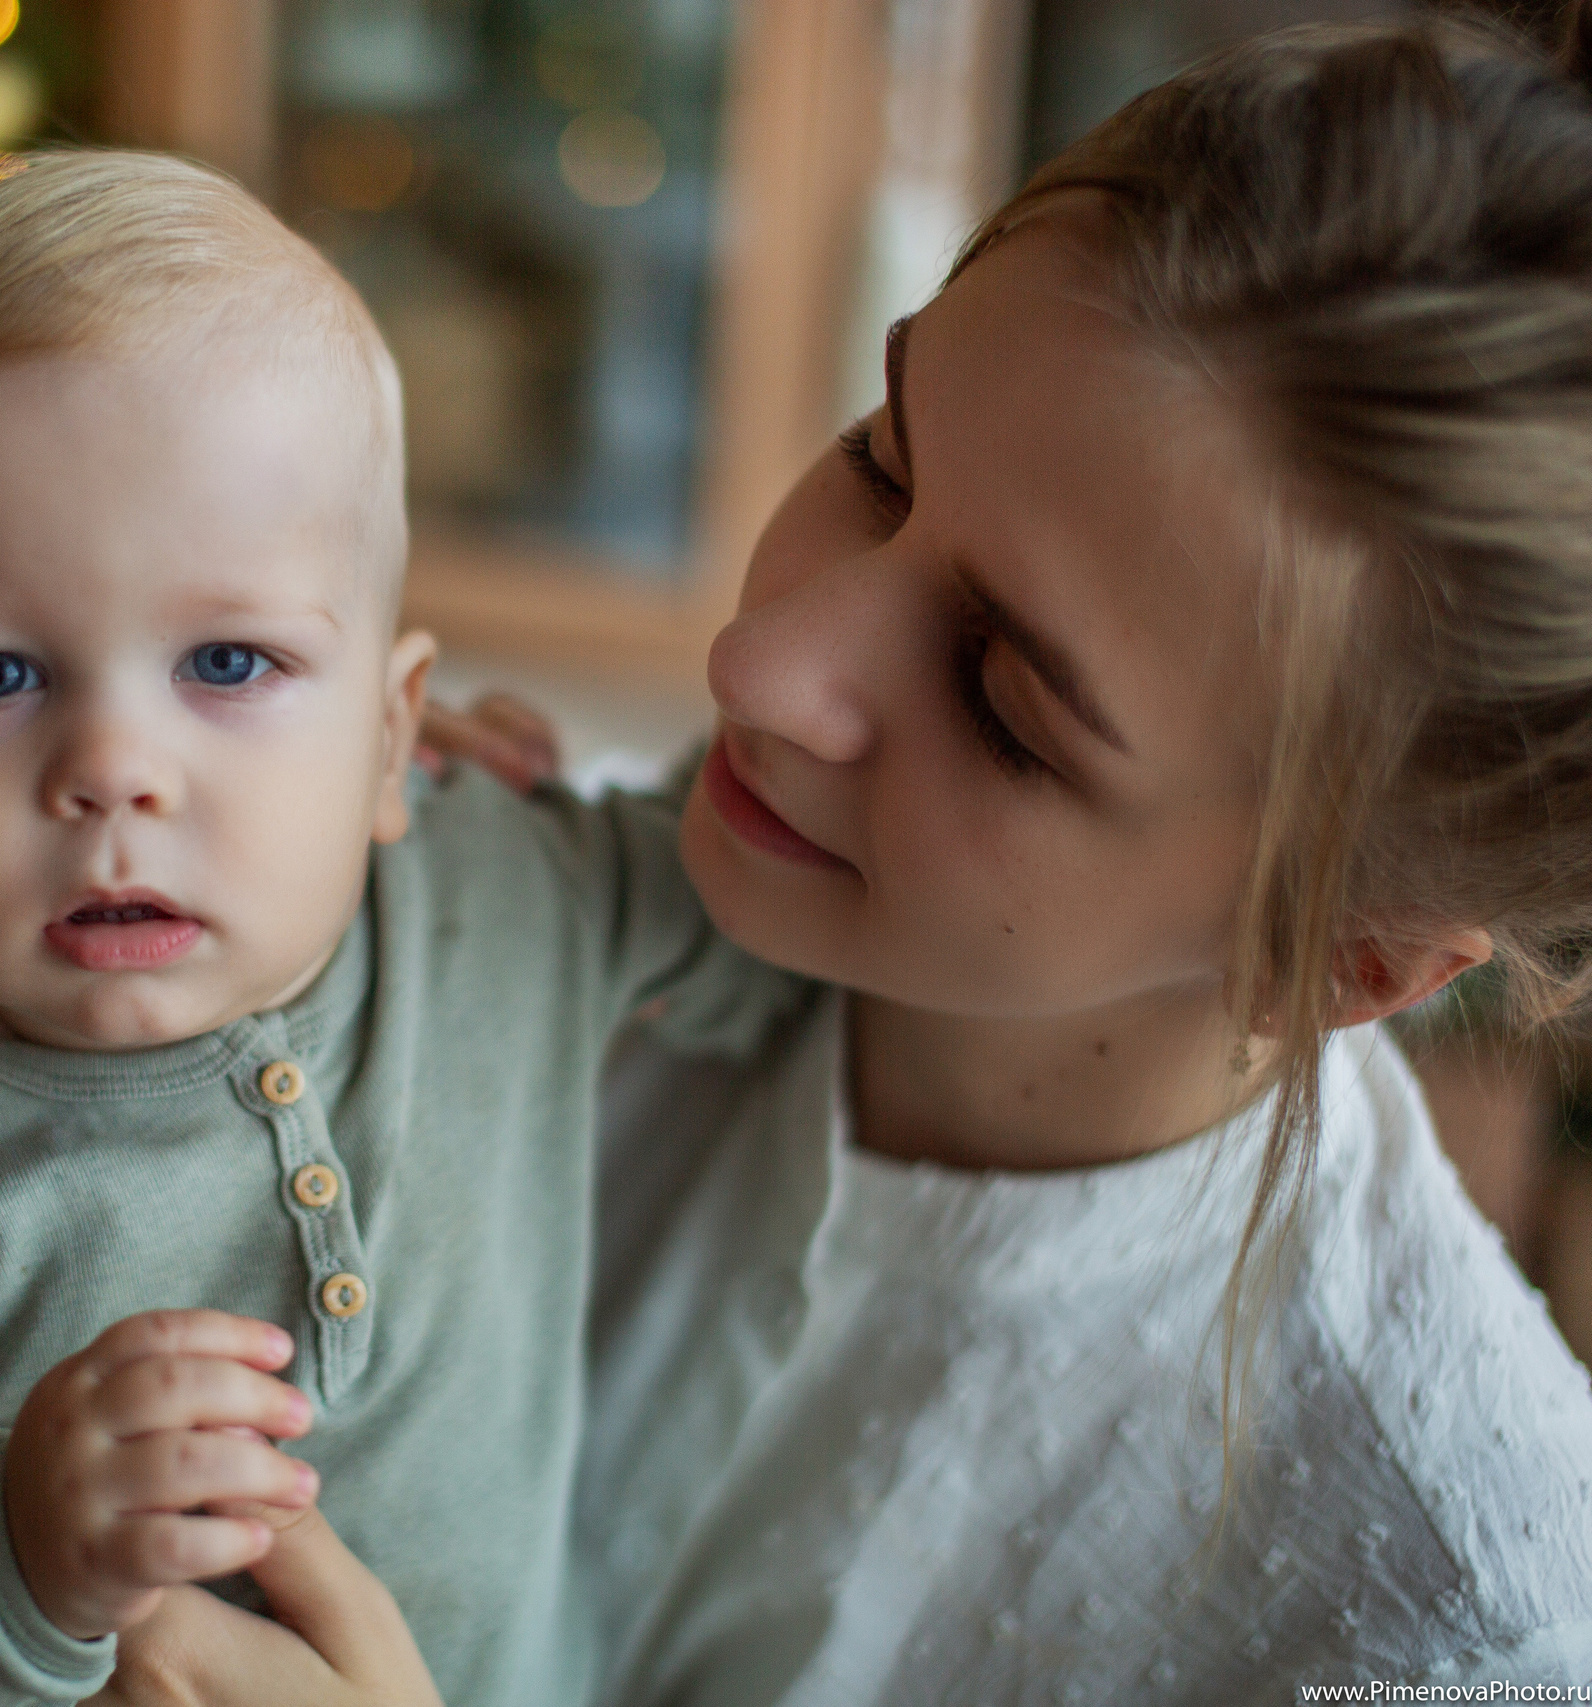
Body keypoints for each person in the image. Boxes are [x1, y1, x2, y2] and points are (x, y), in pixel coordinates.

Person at [87, 13, 1592, 1704]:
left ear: (1344, 961)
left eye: (1008, 705)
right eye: (880, 459)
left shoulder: (1458, 1621)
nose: (760, 668)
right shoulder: (531, 894)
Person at [0, 151, 799, 1707]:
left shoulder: (516, 888)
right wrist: (6, 1550)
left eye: (228, 664)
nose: (110, 769)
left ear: (390, 734)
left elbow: (794, 899)